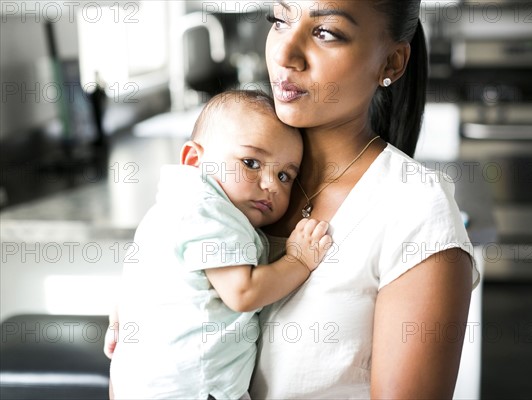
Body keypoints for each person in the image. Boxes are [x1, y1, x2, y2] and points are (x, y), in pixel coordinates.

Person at [106, 1, 481, 398]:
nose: (284, 54)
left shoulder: (415, 210)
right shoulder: (230, 176)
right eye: (280, 20)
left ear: (391, 63)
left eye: (326, 33)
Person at [108, 90, 332, 400]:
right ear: (194, 160)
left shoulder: (171, 206)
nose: (270, 185)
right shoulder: (210, 209)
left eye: (284, 175)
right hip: (194, 387)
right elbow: (243, 292)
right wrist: (299, 260)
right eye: (251, 162)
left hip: (142, 380)